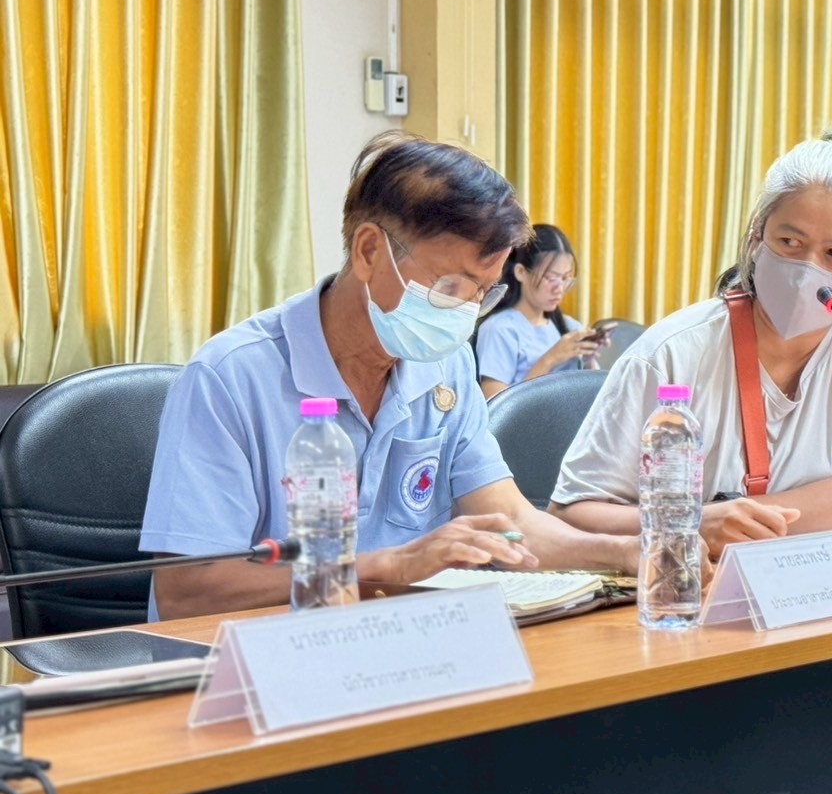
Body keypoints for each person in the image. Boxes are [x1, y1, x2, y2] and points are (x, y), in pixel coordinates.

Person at [139, 132, 637, 620]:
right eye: (451, 286)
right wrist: (386, 567)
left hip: (406, 641)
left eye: (483, 293)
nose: (466, 312)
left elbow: (510, 521)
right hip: (265, 657)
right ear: (369, 252)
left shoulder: (446, 366)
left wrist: (624, 552)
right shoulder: (229, 378)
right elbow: (188, 592)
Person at [549, 129, 832, 556]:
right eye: (789, 243)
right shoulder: (671, 355)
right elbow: (570, 514)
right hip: (694, 582)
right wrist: (694, 525)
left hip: (821, 573)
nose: (806, 270)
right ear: (756, 239)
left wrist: (739, 522)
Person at [475, 224, 605, 399]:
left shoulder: (571, 327)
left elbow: (591, 397)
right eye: (550, 278)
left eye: (565, 278)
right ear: (521, 272)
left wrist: (589, 361)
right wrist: (550, 359)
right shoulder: (500, 329)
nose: (559, 288)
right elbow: (495, 405)